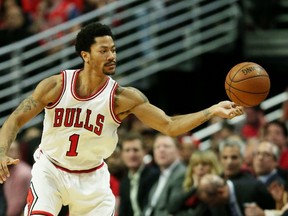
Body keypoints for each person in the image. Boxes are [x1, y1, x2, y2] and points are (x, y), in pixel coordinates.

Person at [0, 22, 244, 215]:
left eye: (114, 49)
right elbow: (15, 120)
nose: (111, 56)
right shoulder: (56, 86)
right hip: (51, 169)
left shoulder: (122, 98)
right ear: (85, 55)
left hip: (92, 178)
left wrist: (211, 111)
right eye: (103, 51)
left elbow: (169, 126)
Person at [168, 150, 222, 216]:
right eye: (196, 164)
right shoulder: (183, 180)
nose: (200, 168)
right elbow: (172, 208)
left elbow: (197, 214)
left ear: (213, 167)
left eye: (204, 164)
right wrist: (194, 187)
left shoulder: (218, 185)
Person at [143, 133, 186, 216]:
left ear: (178, 150)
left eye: (166, 146)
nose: (161, 150)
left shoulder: (182, 174)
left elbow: (172, 210)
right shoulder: (158, 176)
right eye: (157, 147)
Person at [119, 132, 159, 216]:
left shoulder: (154, 176)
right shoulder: (124, 182)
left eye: (135, 150)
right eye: (127, 150)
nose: (131, 154)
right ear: (122, 154)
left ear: (144, 152)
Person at [197, 173, 275, 216]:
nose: (211, 206)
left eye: (211, 202)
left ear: (220, 192)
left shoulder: (253, 188)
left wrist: (264, 214)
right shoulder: (217, 207)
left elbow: (278, 210)